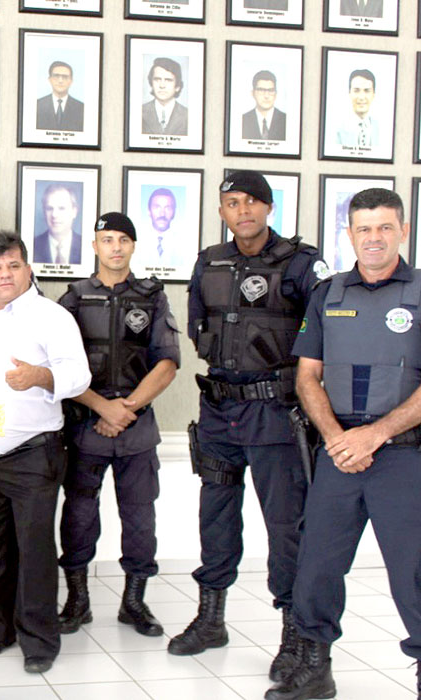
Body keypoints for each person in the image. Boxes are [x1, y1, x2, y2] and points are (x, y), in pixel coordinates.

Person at [266, 188, 421, 700]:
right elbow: (308, 376)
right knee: (317, 563)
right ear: (349, 234)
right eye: (363, 228)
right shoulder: (328, 294)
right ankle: (314, 667)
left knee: (413, 570)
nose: (373, 237)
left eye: (383, 227)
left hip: (404, 453)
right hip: (338, 456)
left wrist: (375, 434)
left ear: (401, 230)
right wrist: (336, 439)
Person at [171, 171, 325, 686]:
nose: (243, 211)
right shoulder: (208, 261)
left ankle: (294, 634)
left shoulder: (302, 264)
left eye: (252, 202)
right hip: (219, 411)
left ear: (268, 207)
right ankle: (211, 619)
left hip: (275, 414)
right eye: (232, 203)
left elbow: (320, 336)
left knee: (286, 526)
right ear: (222, 211)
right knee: (215, 516)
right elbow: (197, 323)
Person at [0, 232, 90, 675]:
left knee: (34, 551)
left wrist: (41, 375)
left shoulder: (51, 316)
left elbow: (79, 375)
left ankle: (39, 641)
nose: (5, 275)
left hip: (33, 454)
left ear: (27, 270)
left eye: (13, 266)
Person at [56, 212, 180, 638]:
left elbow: (167, 364)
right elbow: (59, 368)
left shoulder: (153, 298)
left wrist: (125, 409)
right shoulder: (72, 298)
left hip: (137, 427)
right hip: (85, 425)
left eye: (123, 239)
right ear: (93, 246)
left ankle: (134, 602)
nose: (115, 247)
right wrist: (101, 409)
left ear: (132, 246)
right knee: (78, 517)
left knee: (140, 520)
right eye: (106, 239)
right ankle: (77, 600)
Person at [33, 184, 82, 265]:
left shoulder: (84, 246)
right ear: (44, 211)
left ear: (74, 212)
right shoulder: (33, 245)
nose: (54, 215)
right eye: (49, 208)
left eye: (61, 208)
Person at [140, 57, 188, 136]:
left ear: (177, 86)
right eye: (157, 79)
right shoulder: (139, 112)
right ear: (151, 84)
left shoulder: (188, 116)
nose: (162, 85)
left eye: (168, 80)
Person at [36, 61, 84, 131]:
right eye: (56, 76)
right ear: (50, 80)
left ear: (71, 81)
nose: (60, 80)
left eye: (65, 77)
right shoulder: (37, 105)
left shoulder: (81, 108)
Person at [336, 69, 378, 149]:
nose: (361, 97)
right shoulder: (338, 130)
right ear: (349, 93)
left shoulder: (383, 130)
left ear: (373, 95)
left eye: (367, 91)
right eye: (356, 91)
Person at [242, 70, 286, 141]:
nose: (266, 96)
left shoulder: (285, 120)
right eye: (261, 90)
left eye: (270, 90)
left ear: (276, 94)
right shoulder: (243, 120)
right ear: (253, 93)